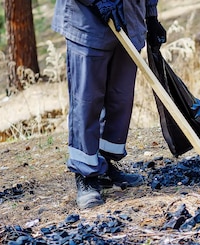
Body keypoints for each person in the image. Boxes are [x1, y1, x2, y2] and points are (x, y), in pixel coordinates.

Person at [52, 0, 166, 209]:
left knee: (120, 99)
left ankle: (105, 166)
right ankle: (85, 174)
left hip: (128, 21)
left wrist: (151, 16)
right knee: (87, 101)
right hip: (87, 21)